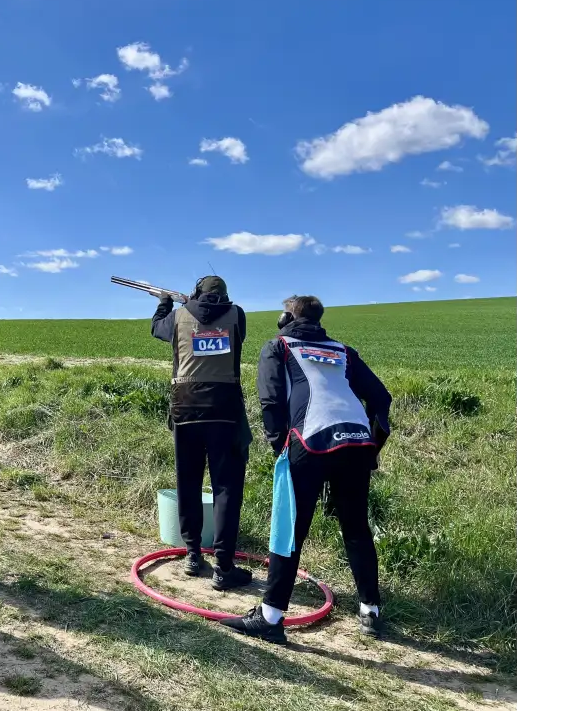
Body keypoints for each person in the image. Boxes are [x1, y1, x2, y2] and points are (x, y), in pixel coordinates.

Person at [223, 295, 392, 644]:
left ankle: (270, 618)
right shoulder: (343, 351)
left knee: (289, 529)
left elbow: (270, 400)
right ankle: (371, 610)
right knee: (356, 528)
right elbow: (381, 398)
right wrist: (372, 444)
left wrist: (279, 446)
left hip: (309, 440)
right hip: (357, 443)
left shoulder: (279, 346)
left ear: (285, 318)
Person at [151, 276, 254, 591]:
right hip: (225, 410)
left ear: (196, 292)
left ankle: (193, 554)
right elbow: (226, 327)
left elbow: (157, 328)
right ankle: (224, 566)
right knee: (226, 488)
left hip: (186, 407)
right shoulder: (237, 315)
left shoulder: (178, 316)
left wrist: (165, 303)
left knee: (188, 482)